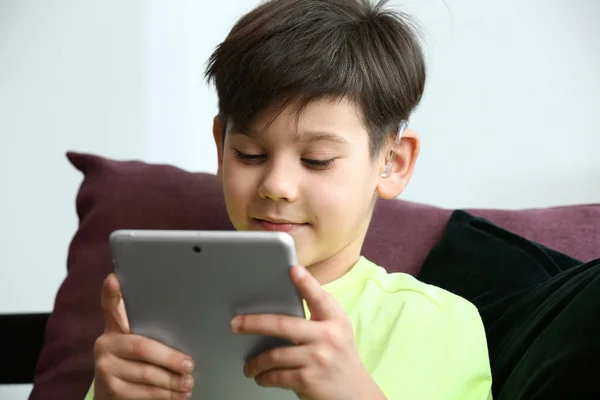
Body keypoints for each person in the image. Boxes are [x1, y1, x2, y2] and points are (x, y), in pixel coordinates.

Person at [86, 0, 493, 399]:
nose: (277, 185)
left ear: (393, 162)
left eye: (317, 161)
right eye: (250, 154)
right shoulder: (162, 312)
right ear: (220, 148)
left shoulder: (434, 324)